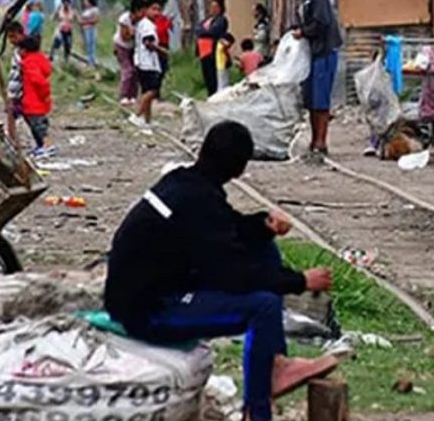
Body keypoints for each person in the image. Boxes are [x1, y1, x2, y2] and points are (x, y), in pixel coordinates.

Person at [104, 121, 339, 421]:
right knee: (263, 307)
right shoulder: (199, 200)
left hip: (157, 288)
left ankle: (277, 363)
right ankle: (257, 410)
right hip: (150, 311)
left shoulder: (185, 183)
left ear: (202, 151)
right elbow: (233, 275)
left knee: (264, 247)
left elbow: (226, 227)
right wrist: (300, 281)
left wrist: (261, 224)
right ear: (240, 170)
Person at [280, 0, 342, 158]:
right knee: (312, 99)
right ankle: (315, 140)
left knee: (321, 99)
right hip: (314, 55)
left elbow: (321, 24)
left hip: (324, 52)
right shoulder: (307, 0)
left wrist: (303, 33)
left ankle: (321, 141)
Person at [128, 0, 166, 133]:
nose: (157, 12)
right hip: (147, 62)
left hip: (143, 61)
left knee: (146, 91)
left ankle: (147, 120)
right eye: (153, 9)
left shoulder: (144, 24)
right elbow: (148, 42)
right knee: (152, 91)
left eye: (159, 10)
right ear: (146, 10)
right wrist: (162, 50)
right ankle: (137, 115)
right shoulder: (147, 25)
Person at [20, 35, 55, 158]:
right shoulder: (40, 60)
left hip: (34, 101)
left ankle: (47, 146)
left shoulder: (29, 63)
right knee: (39, 125)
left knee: (39, 126)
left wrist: (43, 95)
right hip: (38, 101)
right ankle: (42, 146)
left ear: (24, 50)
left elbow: (39, 82)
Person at [114, 0, 146, 105]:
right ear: (136, 10)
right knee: (128, 70)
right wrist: (133, 33)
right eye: (141, 11)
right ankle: (123, 95)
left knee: (136, 71)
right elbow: (124, 37)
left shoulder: (141, 21)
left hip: (133, 47)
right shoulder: (124, 19)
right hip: (122, 46)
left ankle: (133, 95)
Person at [197, 0, 228, 97]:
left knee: (214, 75)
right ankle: (210, 94)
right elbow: (198, 30)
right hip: (203, 52)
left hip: (214, 51)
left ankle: (215, 95)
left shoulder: (221, 20)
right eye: (211, 7)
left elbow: (214, 32)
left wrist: (204, 32)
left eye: (216, 7)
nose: (213, 9)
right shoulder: (206, 20)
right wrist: (204, 32)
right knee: (207, 76)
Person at [4, 21, 26, 145]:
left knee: (19, 115)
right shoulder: (17, 50)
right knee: (11, 113)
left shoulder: (25, 50)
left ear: (21, 34)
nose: (11, 40)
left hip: (21, 89)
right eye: (9, 37)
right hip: (14, 88)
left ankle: (18, 140)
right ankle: (13, 140)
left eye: (13, 36)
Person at [49, 0, 77, 65]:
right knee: (56, 43)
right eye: (64, 3)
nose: (66, 4)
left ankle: (66, 59)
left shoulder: (72, 11)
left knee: (68, 45)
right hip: (60, 30)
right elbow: (52, 18)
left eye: (67, 3)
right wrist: (56, 12)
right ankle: (51, 56)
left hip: (68, 30)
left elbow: (75, 19)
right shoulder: (60, 10)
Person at [152, 0, 173, 76]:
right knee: (161, 65)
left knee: (161, 65)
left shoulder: (162, 15)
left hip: (161, 41)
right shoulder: (160, 16)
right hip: (160, 41)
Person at [80, 0, 101, 67]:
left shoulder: (95, 9)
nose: (85, 3)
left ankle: (92, 61)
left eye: (86, 1)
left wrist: (86, 22)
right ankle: (89, 61)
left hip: (91, 29)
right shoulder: (86, 11)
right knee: (88, 45)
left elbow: (96, 20)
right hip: (86, 29)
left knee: (92, 44)